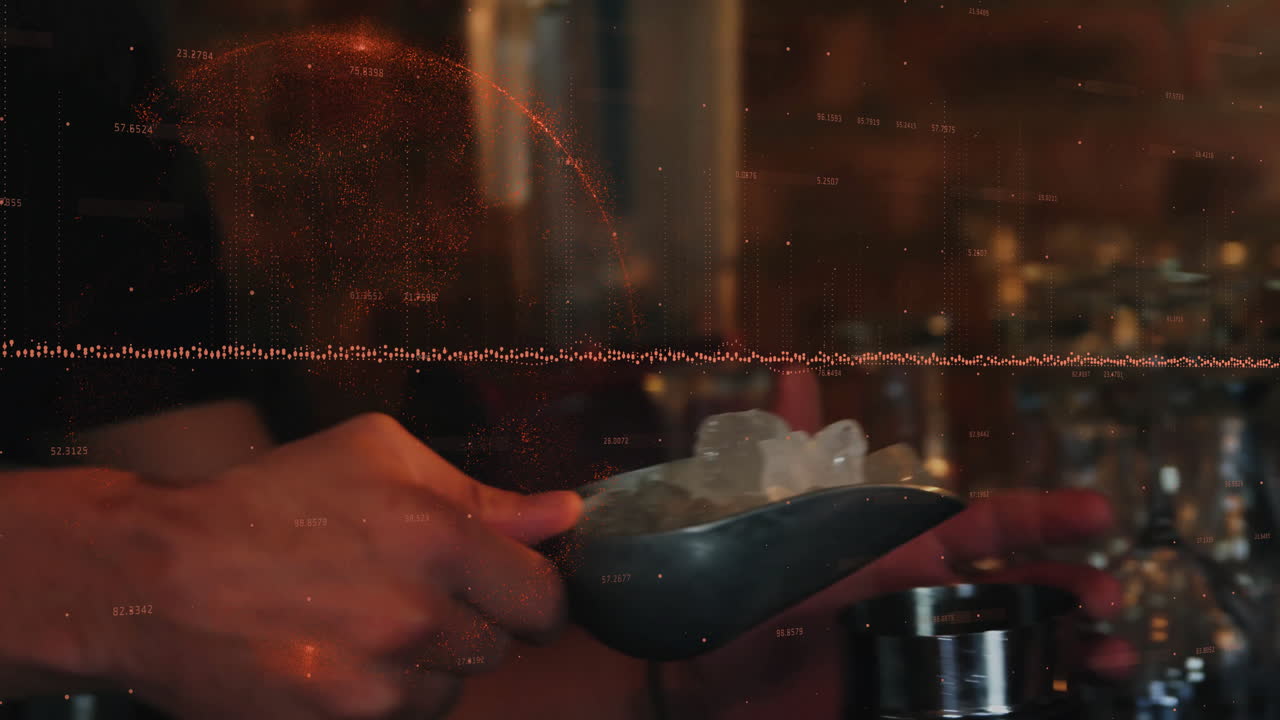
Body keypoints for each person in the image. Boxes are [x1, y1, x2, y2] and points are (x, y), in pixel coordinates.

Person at [0, 2, 1133, 720]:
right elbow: (182, 575)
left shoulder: (59, 65)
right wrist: (119, 577)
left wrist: (682, 665)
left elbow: (273, 644)